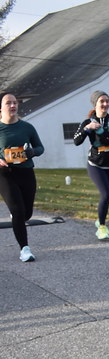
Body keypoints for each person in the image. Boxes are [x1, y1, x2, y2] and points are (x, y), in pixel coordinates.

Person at [73, 90, 109, 240]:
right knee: (105, 194)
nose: (105, 104)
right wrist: (87, 129)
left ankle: (100, 219)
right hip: (96, 164)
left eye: (107, 101)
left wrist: (104, 134)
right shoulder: (88, 122)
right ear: (95, 104)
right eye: (102, 101)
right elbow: (76, 141)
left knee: (107, 197)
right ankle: (102, 227)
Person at [0, 91, 44, 263]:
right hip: (4, 174)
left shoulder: (27, 127)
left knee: (26, 213)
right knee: (18, 210)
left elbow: (40, 148)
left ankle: (18, 216)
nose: (13, 106)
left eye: (15, 103)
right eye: (8, 103)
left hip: (26, 172)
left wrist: (32, 152)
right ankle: (24, 249)